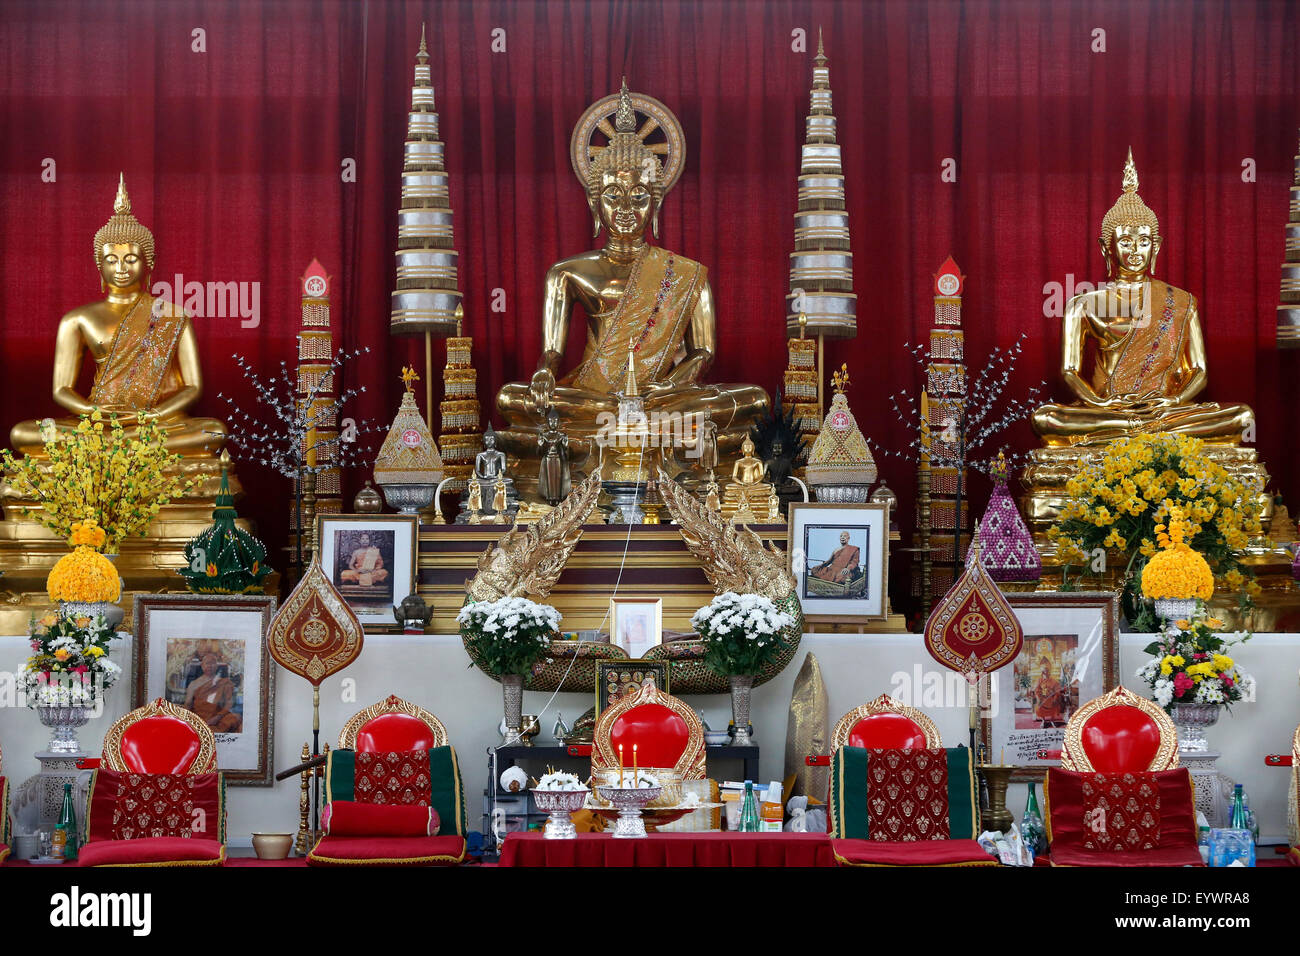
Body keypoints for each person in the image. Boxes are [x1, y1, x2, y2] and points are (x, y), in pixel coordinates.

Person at [184, 653, 241, 733]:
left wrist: (217, 717)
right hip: (200, 718)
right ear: (202, 665)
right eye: (207, 663)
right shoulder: (194, 684)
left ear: (216, 666)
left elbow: (229, 703)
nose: (210, 666)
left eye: (213, 663)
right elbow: (188, 704)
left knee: (236, 718)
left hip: (219, 717)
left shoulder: (224, 682)